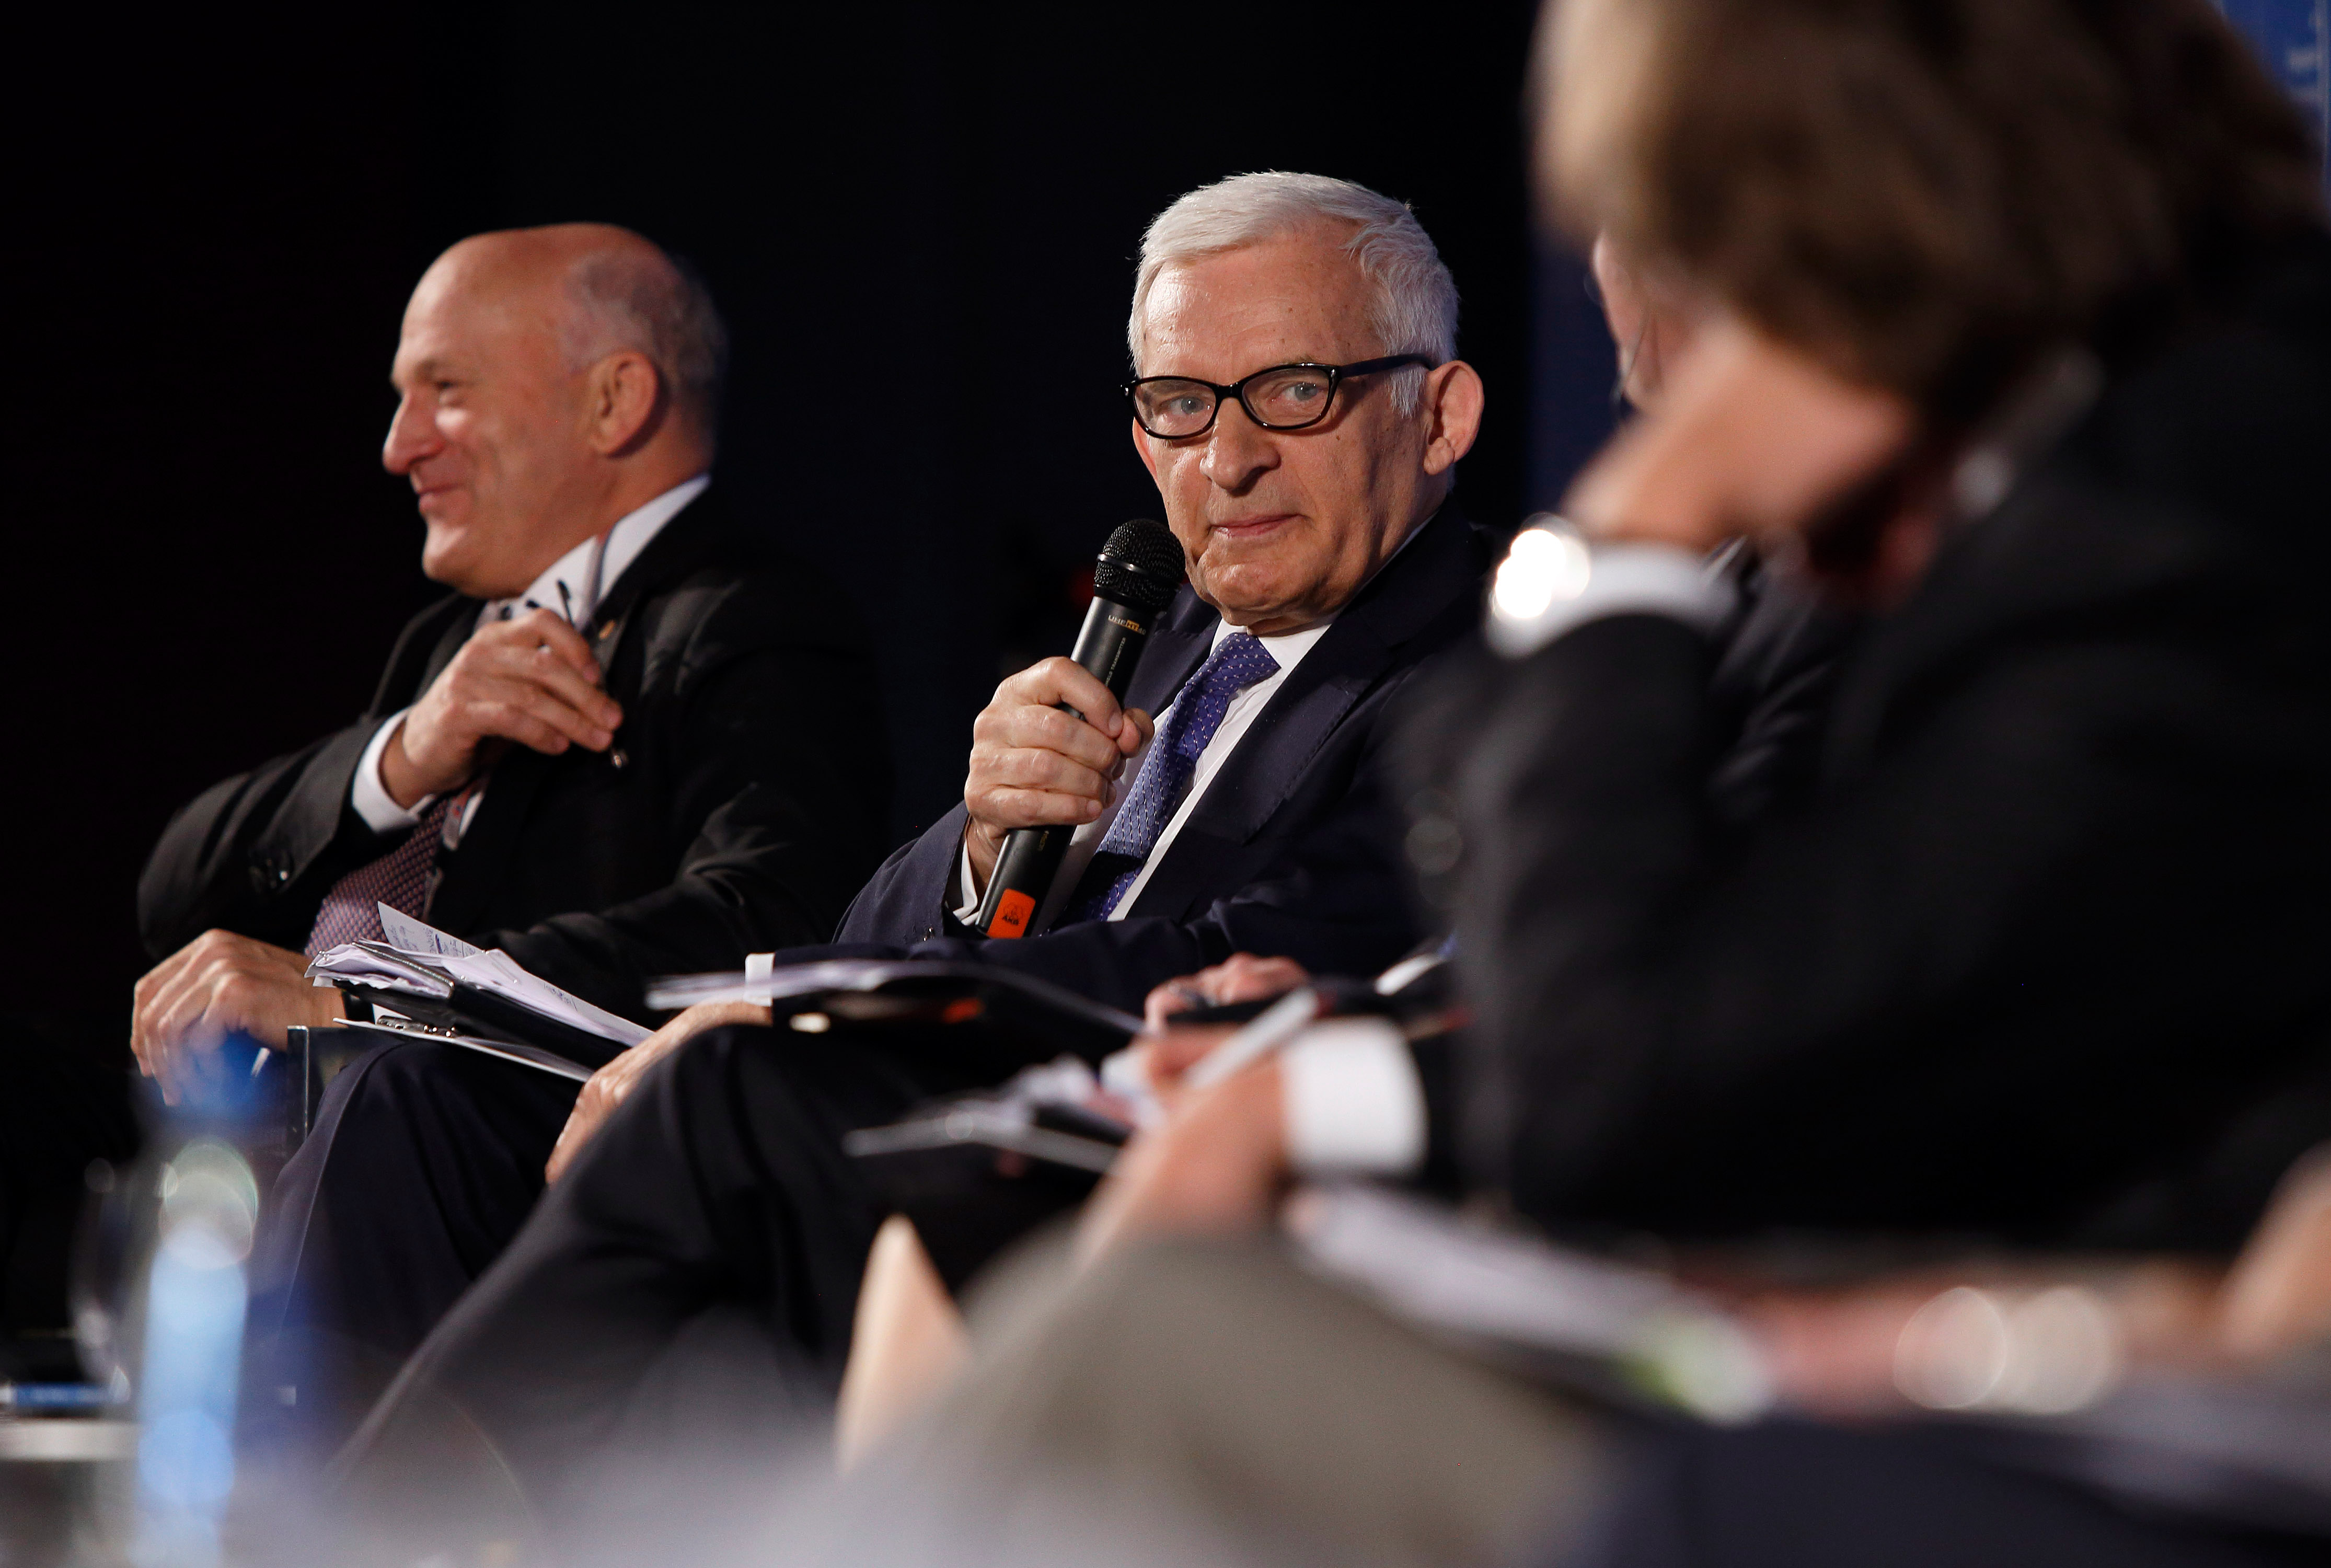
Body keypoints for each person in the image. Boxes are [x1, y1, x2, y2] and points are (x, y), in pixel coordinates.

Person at [769, 0, 2331, 1561]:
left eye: (1648, 224)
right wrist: (1327, 1086)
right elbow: (1828, 984)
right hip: (1895, 1298)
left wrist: (1635, 530)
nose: (1617, 298)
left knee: (1138, 1333)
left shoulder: (2184, 493)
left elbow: (1637, 1070)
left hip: (2052, 1418)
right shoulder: (2098, 457)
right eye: (1179, 410)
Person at [322, 179, 1867, 1559]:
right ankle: (351, 1507)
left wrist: (800, 1018)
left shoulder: (1479, 643)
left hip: (1128, 1130)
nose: (1234, 459)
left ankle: (372, 1540)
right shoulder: (1153, 643)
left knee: (718, 1102)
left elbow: (1304, 928)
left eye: (1298, 392)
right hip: (956, 1085)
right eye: (1183, 407)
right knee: (420, 1102)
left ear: (1441, 417)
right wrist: (983, 841)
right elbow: (870, 922)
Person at [137, 224, 889, 1427]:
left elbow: (775, 918)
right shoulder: (446, 644)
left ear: (614, 401)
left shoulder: (755, 617)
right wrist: (399, 757)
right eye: (399, 400)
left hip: (521, 1169)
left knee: (392, 1095)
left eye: (445, 390)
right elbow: (175, 899)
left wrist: (370, 995)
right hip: (320, 1162)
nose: (397, 448)